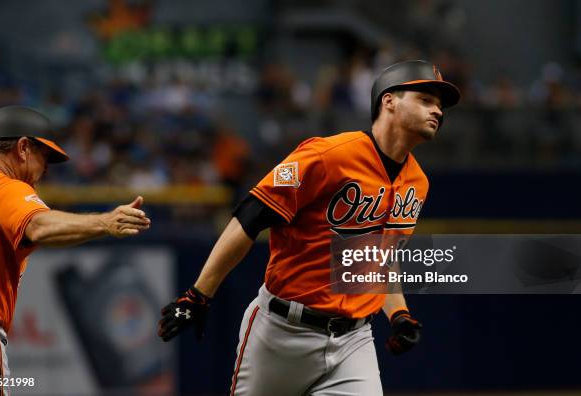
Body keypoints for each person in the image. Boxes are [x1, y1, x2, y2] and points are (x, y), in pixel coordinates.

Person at [158, 60, 460, 395]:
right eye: (426, 99)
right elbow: (250, 217)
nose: (438, 111)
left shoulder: (418, 182)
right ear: (389, 101)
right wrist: (199, 294)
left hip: (353, 340)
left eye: (440, 105)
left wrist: (399, 314)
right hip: (282, 331)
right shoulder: (327, 155)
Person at [0, 106, 151, 396]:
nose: (45, 169)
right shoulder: (7, 187)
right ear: (23, 147)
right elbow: (39, 226)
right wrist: (103, 221)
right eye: (44, 156)